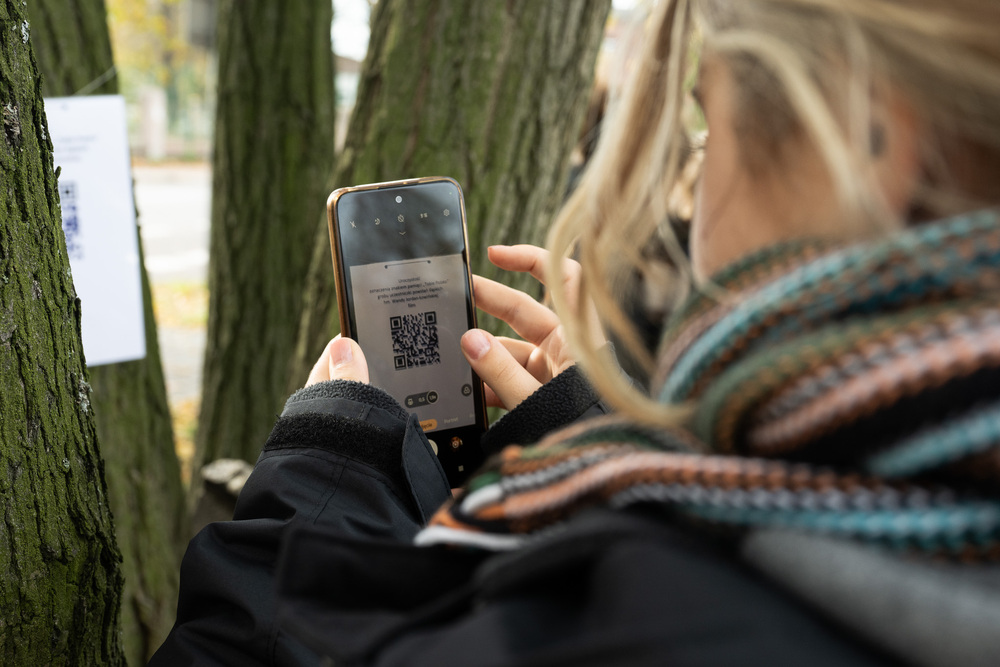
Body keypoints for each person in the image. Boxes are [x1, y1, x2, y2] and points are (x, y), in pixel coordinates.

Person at [151, 0, 1000, 665]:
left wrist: (318, 480)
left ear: (865, 137)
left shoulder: (620, 630)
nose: (691, 195)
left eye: (711, 134)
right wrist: (594, 447)